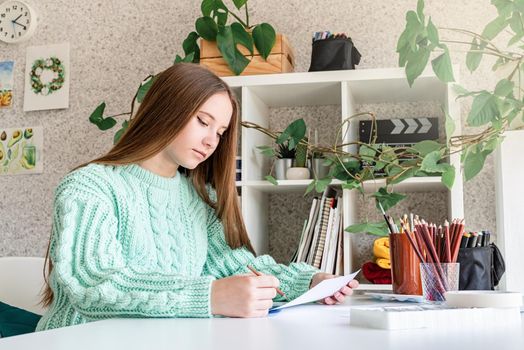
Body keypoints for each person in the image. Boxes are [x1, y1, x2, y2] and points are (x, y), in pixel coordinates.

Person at [37, 63, 358, 331]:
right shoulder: (89, 186)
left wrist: (309, 281)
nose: (210, 141)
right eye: (203, 122)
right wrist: (209, 296)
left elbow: (235, 266)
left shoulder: (198, 199)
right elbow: (92, 285)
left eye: (219, 132)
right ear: (165, 110)